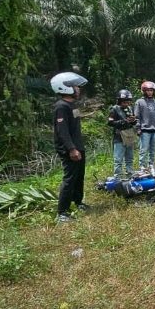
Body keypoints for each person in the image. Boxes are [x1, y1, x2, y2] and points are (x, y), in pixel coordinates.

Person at [51, 71, 89, 222]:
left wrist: (78, 147)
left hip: (78, 146)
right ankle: (62, 213)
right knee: (69, 179)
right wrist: (71, 149)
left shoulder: (71, 105)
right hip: (70, 149)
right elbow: (62, 131)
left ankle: (78, 202)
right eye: (75, 86)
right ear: (65, 88)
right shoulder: (61, 107)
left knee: (79, 177)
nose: (78, 89)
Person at [135, 81, 155, 173]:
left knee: (153, 149)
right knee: (143, 149)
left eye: (151, 90)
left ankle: (151, 164)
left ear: (154, 91)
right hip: (145, 130)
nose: (149, 92)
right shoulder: (139, 102)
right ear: (144, 91)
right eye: (147, 90)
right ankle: (142, 167)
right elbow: (137, 116)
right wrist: (138, 128)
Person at [108, 89, 137, 178]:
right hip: (119, 136)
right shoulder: (114, 109)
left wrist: (133, 121)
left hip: (129, 135)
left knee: (130, 157)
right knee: (118, 159)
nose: (127, 104)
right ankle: (118, 176)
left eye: (128, 102)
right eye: (125, 102)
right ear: (120, 101)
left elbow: (132, 123)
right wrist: (123, 121)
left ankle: (130, 173)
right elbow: (110, 123)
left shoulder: (129, 108)